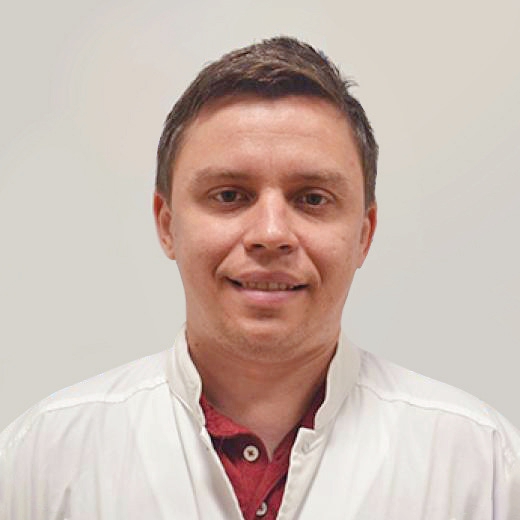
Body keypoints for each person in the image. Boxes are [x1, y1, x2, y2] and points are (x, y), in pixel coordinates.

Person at [0, 36, 519, 520]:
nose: (271, 234)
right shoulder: (42, 461)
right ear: (166, 224)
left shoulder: (482, 466)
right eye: (229, 195)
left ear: (364, 233)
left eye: (312, 198)